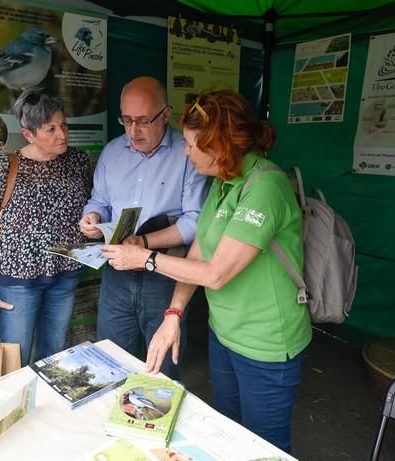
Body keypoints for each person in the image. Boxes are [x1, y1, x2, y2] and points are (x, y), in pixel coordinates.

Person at [102, 90, 312, 453]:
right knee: (227, 429)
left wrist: (145, 259)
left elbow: (215, 274)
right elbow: (197, 257)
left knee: (264, 445)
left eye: (191, 145)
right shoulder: (222, 183)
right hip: (225, 333)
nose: (185, 152)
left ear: (221, 146)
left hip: (267, 343)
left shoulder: (266, 186)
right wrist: (173, 313)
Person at [79, 76, 208, 379]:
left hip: (164, 274)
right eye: (126, 120)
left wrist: (144, 242)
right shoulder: (112, 152)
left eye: (142, 121)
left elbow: (196, 221)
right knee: (109, 361)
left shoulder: (188, 153)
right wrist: (93, 218)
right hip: (116, 275)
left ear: (165, 114)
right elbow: (98, 200)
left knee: (160, 371)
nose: (133, 131)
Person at [0, 91, 91, 366]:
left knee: (55, 354)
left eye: (64, 125)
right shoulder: (6, 166)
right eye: (51, 129)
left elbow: (93, 205)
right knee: (14, 358)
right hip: (18, 282)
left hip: (66, 276)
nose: (62, 134)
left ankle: (47, 406)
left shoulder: (78, 161)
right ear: (28, 134)